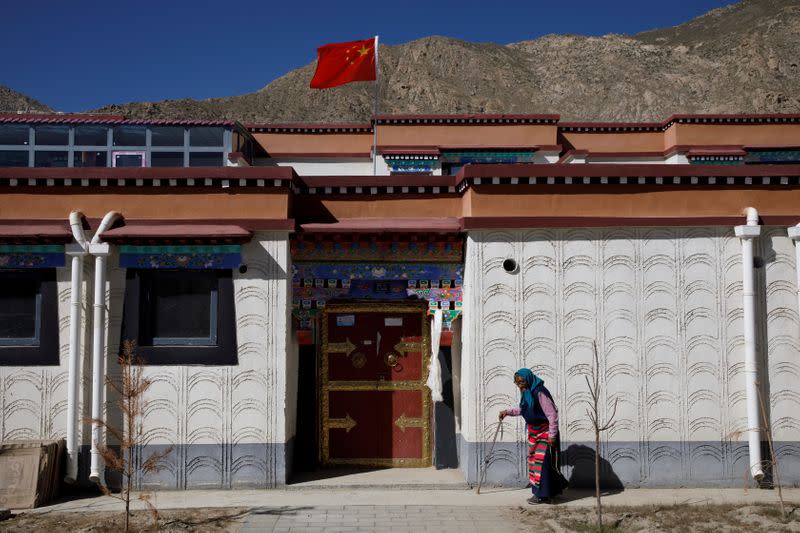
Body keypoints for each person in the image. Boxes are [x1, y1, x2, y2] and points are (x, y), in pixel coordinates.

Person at [499, 368, 564, 504]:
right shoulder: (527, 392)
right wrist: (508, 412)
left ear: (528, 379)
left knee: (541, 463)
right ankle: (547, 492)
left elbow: (552, 414)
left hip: (545, 433)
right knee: (534, 463)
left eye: (521, 382)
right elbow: (523, 410)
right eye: (517, 383)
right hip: (534, 433)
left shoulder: (539, 392)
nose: (519, 385)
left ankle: (542, 495)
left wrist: (552, 435)